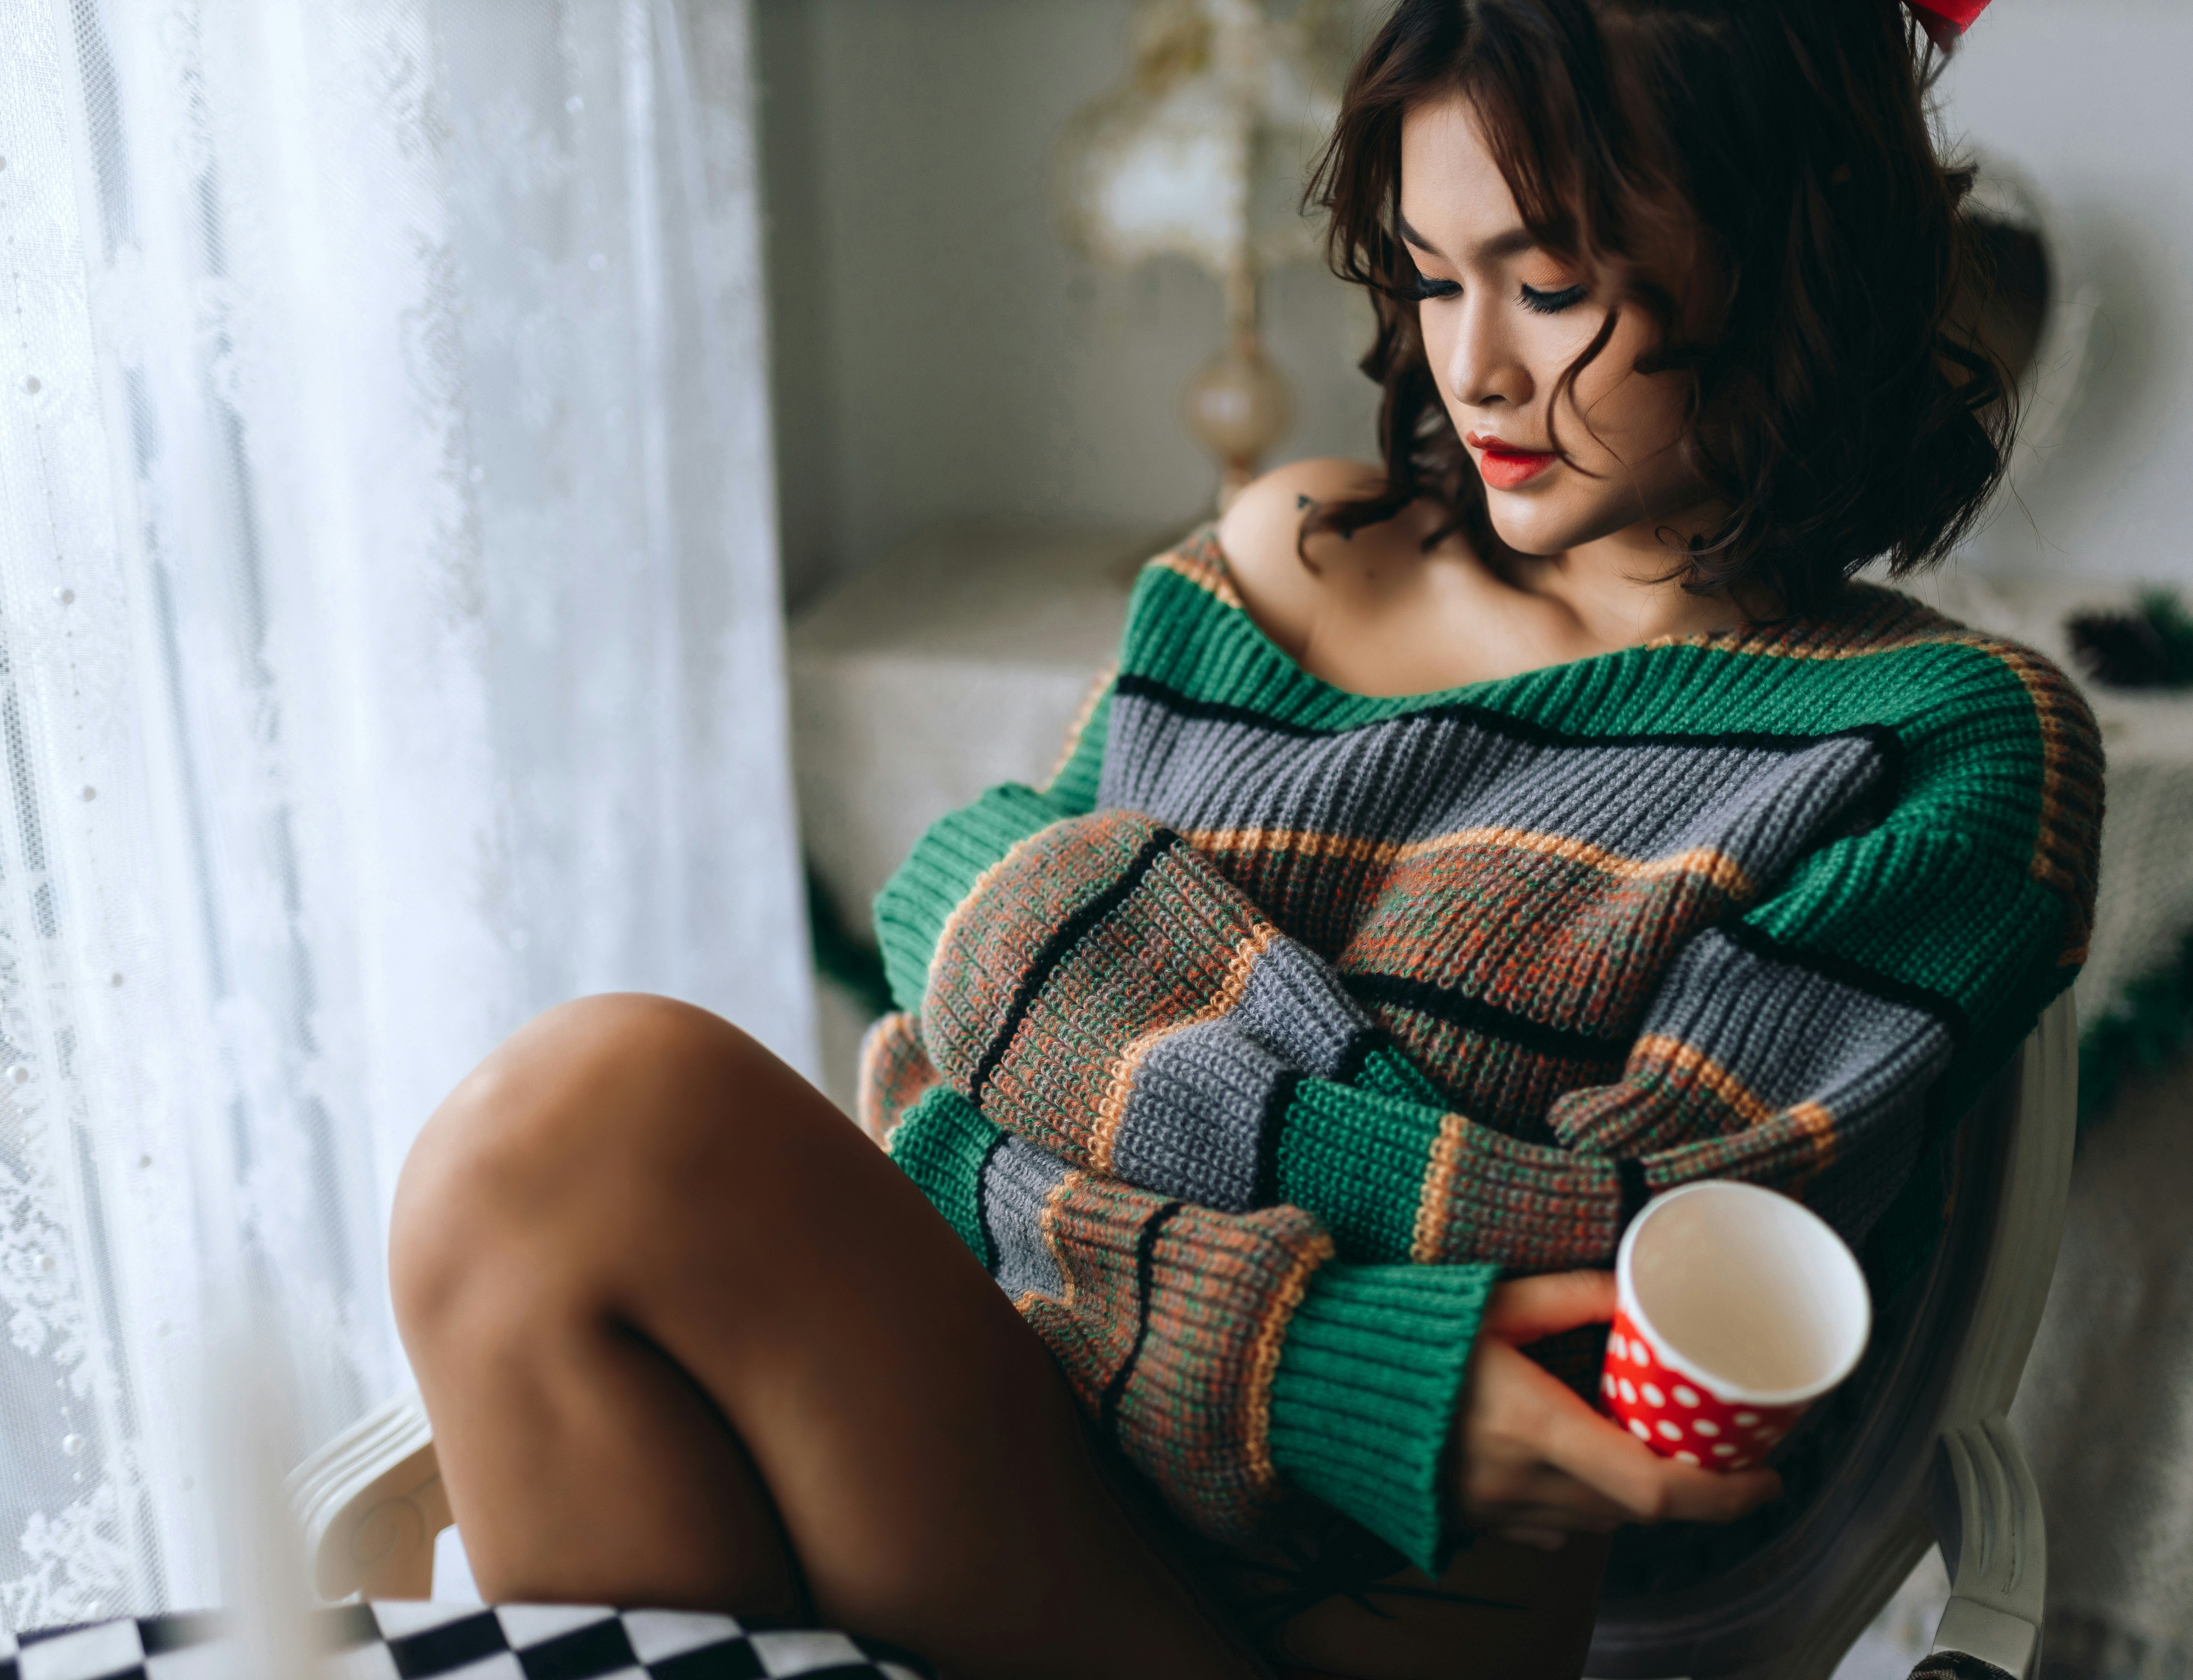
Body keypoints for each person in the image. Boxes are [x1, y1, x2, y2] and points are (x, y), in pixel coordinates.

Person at [388, 1, 2100, 1676]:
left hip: (1356, 1613)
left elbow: (1627, 1264)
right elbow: (931, 1042)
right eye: (1433, 278)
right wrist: (1305, 1352)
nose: (1474, 363)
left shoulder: (1939, 745)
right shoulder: (1292, 558)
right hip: (1016, 1442)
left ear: (1789, 248)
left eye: (1552, 284)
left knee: (610, 1110)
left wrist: (1083, 975)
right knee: (534, 1155)